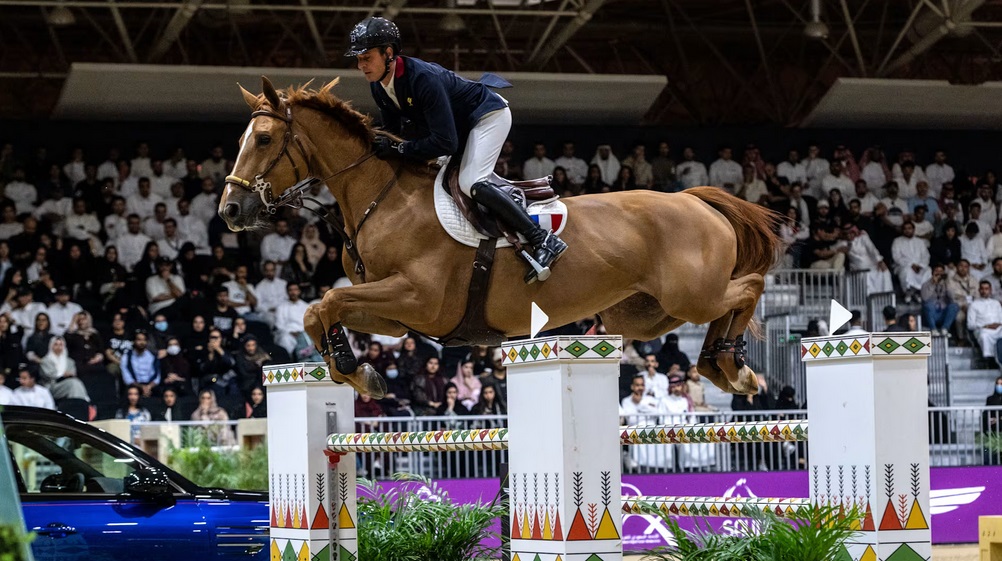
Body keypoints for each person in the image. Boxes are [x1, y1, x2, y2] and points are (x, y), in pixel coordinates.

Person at [346, 16, 566, 283]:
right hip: (459, 128)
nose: (360, 66)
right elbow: (395, 135)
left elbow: (444, 143)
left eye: (366, 57)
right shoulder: (379, 87)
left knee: (471, 181)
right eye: (358, 59)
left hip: (487, 116)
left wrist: (399, 149)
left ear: (388, 53)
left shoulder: (422, 78)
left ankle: (542, 239)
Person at [39, 336, 90, 402]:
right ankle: (81, 402)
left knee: (75, 383)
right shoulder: (45, 360)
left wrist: (67, 375)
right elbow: (48, 375)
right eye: (56, 344)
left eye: (61, 345)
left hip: (67, 383)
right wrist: (62, 374)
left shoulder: (70, 361)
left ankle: (78, 403)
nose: (58, 347)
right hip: (52, 386)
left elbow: (72, 373)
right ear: (51, 346)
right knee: (73, 383)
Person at [968, 281, 1002, 365]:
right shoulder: (974, 305)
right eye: (982, 289)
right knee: (984, 336)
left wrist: (998, 325)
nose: (984, 291)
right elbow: (970, 325)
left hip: (998, 328)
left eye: (986, 289)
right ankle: (989, 360)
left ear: (990, 290)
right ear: (979, 290)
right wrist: (986, 326)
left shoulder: (996, 303)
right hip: (983, 329)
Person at [921, 264, 960, 337]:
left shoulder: (947, 283)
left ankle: (945, 329)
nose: (939, 274)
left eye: (941, 272)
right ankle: (933, 329)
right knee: (928, 305)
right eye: (936, 271)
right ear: (932, 273)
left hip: (943, 313)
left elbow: (953, 298)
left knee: (955, 306)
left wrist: (947, 284)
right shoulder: (926, 284)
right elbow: (924, 298)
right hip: (931, 315)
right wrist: (933, 284)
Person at [984, 376, 1002, 465]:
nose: (999, 386)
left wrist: (998, 419)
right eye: (997, 384)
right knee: (989, 454)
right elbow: (986, 414)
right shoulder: (990, 399)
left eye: (1001, 384)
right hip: (992, 432)